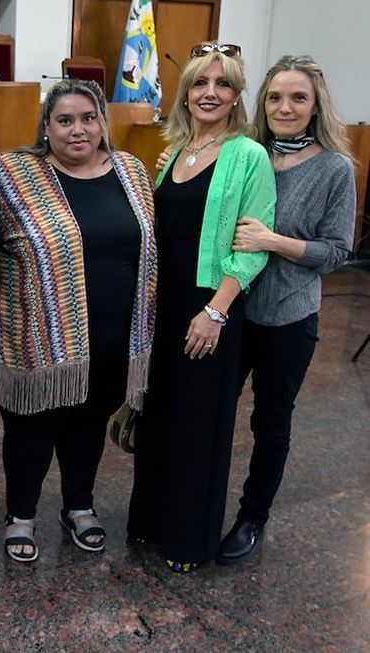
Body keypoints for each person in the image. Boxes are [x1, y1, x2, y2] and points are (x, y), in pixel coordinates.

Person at [0, 79, 157, 562]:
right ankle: (20, 515)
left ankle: (79, 505)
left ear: (103, 122)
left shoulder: (131, 171)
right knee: (31, 429)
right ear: (46, 127)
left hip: (115, 334)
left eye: (88, 118)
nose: (78, 130)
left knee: (88, 423)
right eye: (64, 120)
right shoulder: (14, 175)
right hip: (35, 337)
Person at [127, 42, 276, 572]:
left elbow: (251, 246)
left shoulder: (248, 155)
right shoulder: (175, 153)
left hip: (209, 307)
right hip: (162, 308)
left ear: (237, 96)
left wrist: (215, 312)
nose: (209, 93)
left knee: (198, 425)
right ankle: (149, 522)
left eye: (223, 84)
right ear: (185, 93)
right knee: (159, 416)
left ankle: (188, 541)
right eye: (199, 83)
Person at [217, 55, 357, 563]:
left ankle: (253, 516)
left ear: (316, 104)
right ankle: (201, 505)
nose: (285, 106)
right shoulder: (245, 153)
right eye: (275, 96)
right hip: (230, 308)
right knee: (212, 410)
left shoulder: (334, 168)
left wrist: (273, 241)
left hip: (287, 316)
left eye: (298, 97)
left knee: (271, 421)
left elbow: (337, 252)